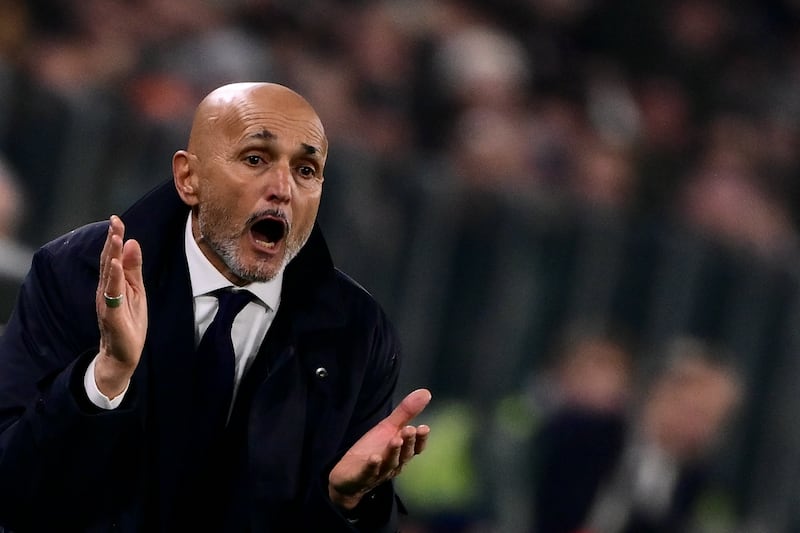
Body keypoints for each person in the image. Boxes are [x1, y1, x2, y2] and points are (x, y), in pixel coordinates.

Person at [0, 82, 431, 532]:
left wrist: (345, 503)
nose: (282, 188)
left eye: (306, 169)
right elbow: (13, 490)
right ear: (190, 178)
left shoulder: (356, 335)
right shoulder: (80, 273)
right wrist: (104, 379)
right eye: (255, 159)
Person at [533, 337, 742, 533]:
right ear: (663, 393)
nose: (700, 427)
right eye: (697, 411)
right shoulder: (587, 436)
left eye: (713, 419)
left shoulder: (699, 487)